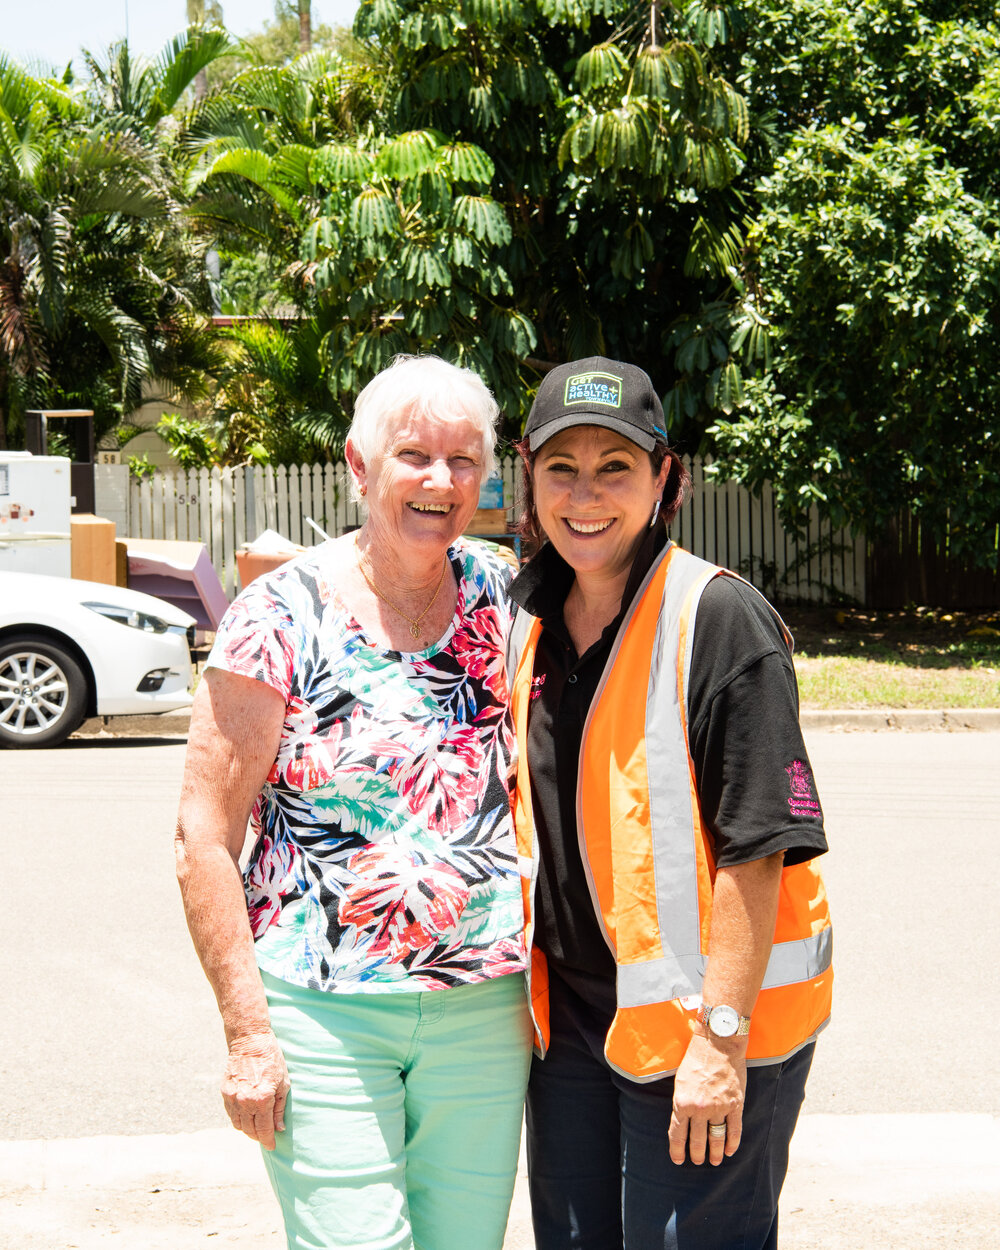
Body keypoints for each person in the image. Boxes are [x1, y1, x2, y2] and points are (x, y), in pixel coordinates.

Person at [175, 355, 531, 1250]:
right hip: (322, 1006)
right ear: (359, 465)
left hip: (485, 1007)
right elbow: (203, 834)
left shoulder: (503, 592)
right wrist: (247, 1033)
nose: (439, 481)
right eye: (414, 456)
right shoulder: (278, 613)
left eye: (463, 461)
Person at [506, 356, 833, 1250]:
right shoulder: (526, 619)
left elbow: (759, 847)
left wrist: (721, 1043)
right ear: (527, 479)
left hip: (705, 1025)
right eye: (559, 466)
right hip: (572, 1022)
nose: (586, 493)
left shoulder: (718, 619)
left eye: (615, 466)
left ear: (665, 479)